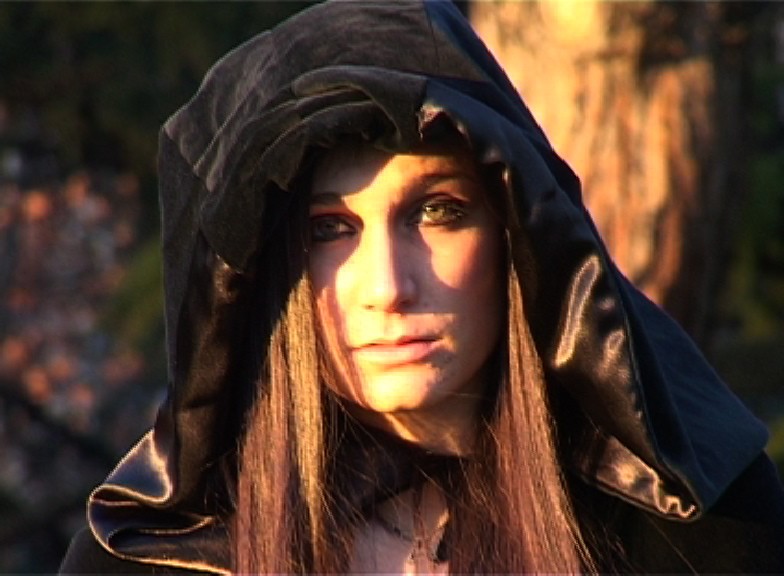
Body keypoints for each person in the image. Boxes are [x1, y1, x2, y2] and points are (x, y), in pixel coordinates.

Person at [60, 1, 784, 574]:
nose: (388, 287)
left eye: (437, 212)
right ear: (253, 274)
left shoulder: (701, 529)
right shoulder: (150, 558)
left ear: (517, 233)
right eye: (327, 230)